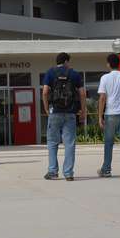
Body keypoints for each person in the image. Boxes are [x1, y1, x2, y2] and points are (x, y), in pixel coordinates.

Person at [42, 52, 86, 181]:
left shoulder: (50, 72)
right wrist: (83, 111)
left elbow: (45, 92)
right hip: (70, 113)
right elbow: (82, 94)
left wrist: (46, 108)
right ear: (66, 61)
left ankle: (52, 171)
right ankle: (68, 173)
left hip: (54, 112)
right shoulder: (74, 74)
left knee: (52, 142)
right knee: (69, 143)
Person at [97, 53, 120, 179]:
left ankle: (106, 169)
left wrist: (100, 116)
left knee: (108, 142)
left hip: (110, 114)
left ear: (108, 64)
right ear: (119, 63)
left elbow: (102, 98)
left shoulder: (105, 78)